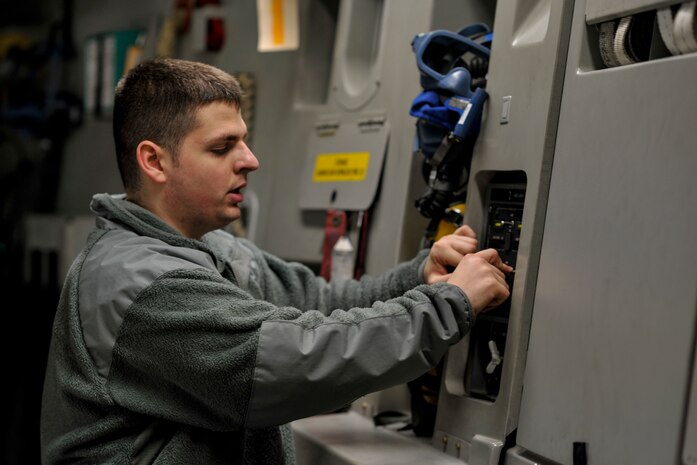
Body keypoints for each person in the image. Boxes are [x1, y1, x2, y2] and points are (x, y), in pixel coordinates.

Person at [40, 57, 512, 464]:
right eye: (222, 148)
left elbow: (324, 302)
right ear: (155, 161)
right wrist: (449, 303)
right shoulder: (139, 283)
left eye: (243, 141)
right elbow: (295, 362)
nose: (250, 160)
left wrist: (421, 275)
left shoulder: (214, 250)